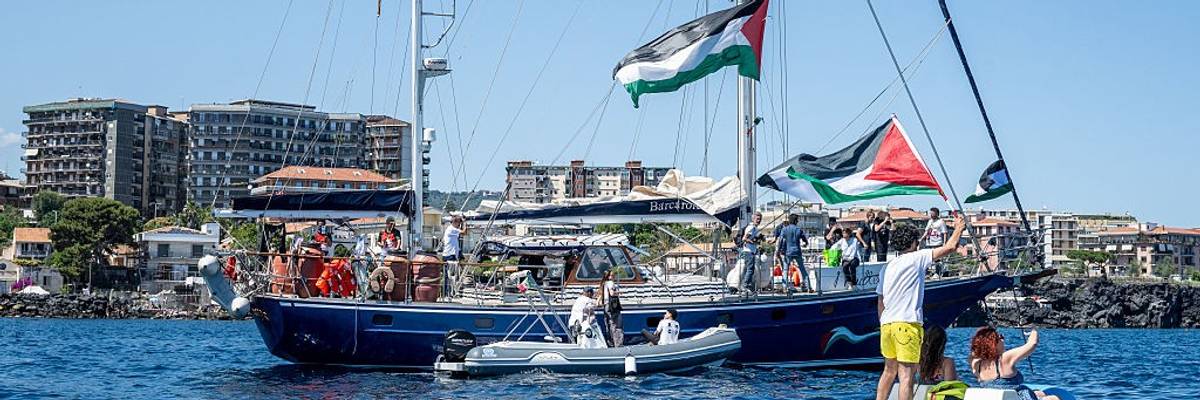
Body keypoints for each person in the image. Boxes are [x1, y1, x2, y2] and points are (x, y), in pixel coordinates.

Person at [875, 214, 966, 400]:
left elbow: (880, 301)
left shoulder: (888, 266)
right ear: (914, 242)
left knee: (888, 371)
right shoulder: (916, 257)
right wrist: (959, 228)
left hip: (887, 325)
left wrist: (884, 322)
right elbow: (949, 247)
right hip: (906, 324)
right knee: (906, 376)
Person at [970, 327, 1059, 400]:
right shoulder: (1004, 359)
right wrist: (1034, 329)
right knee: (1054, 398)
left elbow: (973, 353)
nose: (1003, 339)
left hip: (1000, 396)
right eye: (1000, 337)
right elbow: (1032, 343)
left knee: (1039, 393)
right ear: (993, 343)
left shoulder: (976, 364)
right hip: (1018, 397)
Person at [779, 214, 811, 292]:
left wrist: (780, 250)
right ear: (796, 221)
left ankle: (784, 287)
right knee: (802, 269)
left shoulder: (785, 229)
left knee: (785, 270)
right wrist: (806, 243)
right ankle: (809, 287)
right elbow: (804, 240)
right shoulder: (798, 230)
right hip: (797, 251)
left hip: (788, 252)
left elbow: (781, 240)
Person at [739, 212, 763, 297]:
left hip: (751, 251)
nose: (759, 221)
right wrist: (753, 242)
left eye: (760, 219)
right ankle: (744, 285)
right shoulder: (751, 227)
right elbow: (744, 238)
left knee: (750, 270)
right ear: (753, 219)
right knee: (750, 269)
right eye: (757, 219)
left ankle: (747, 286)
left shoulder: (755, 228)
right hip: (748, 251)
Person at [599, 270, 624, 347]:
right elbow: (612, 293)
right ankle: (618, 344)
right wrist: (619, 292)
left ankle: (610, 342)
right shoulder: (610, 283)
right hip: (613, 306)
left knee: (609, 324)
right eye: (612, 276)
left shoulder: (604, 284)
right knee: (617, 324)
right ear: (609, 277)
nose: (614, 277)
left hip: (606, 305)